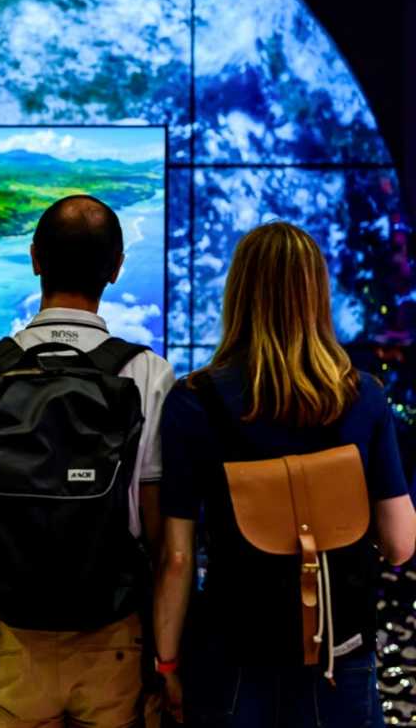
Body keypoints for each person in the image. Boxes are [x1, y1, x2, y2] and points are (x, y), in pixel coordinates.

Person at [0, 195, 175, 726]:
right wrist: (167, 656)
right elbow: (160, 538)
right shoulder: (148, 375)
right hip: (116, 641)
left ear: (35, 258)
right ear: (117, 268)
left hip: (11, 639)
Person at [154, 221, 416, 726]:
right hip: (342, 656)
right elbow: (401, 542)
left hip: (233, 658)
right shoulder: (364, 397)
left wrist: (167, 662)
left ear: (238, 295)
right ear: (317, 295)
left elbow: (177, 557)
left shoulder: (194, 401)